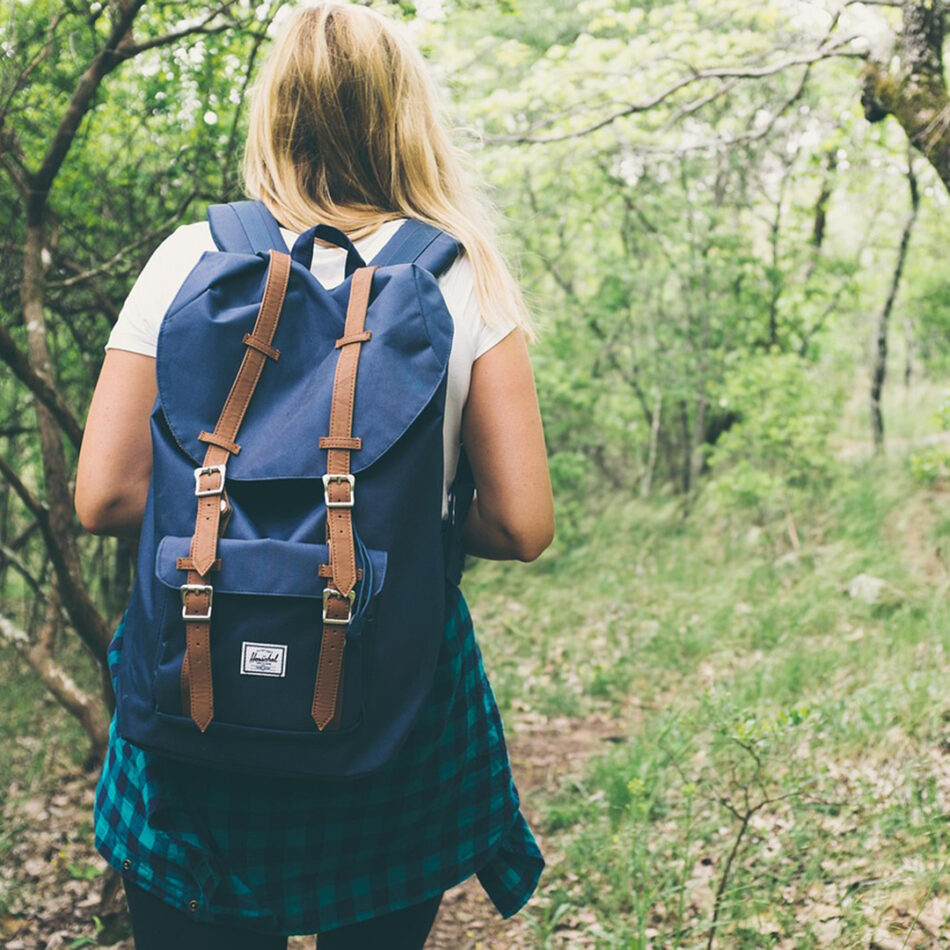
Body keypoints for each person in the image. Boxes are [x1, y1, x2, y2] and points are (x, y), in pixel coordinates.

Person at [74, 3, 554, 948]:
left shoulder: (191, 258)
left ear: (275, 114)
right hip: (389, 705)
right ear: (404, 115)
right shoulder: (463, 278)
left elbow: (105, 496)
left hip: (196, 695)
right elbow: (523, 526)